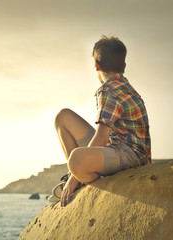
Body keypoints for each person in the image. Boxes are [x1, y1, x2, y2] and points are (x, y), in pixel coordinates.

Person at [55, 36, 151, 207]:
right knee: (63, 117)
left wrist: (72, 178)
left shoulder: (108, 90)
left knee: (75, 159)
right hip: (116, 146)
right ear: (124, 67)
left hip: (130, 156)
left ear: (96, 66)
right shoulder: (126, 87)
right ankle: (79, 175)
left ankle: (79, 179)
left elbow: (100, 137)